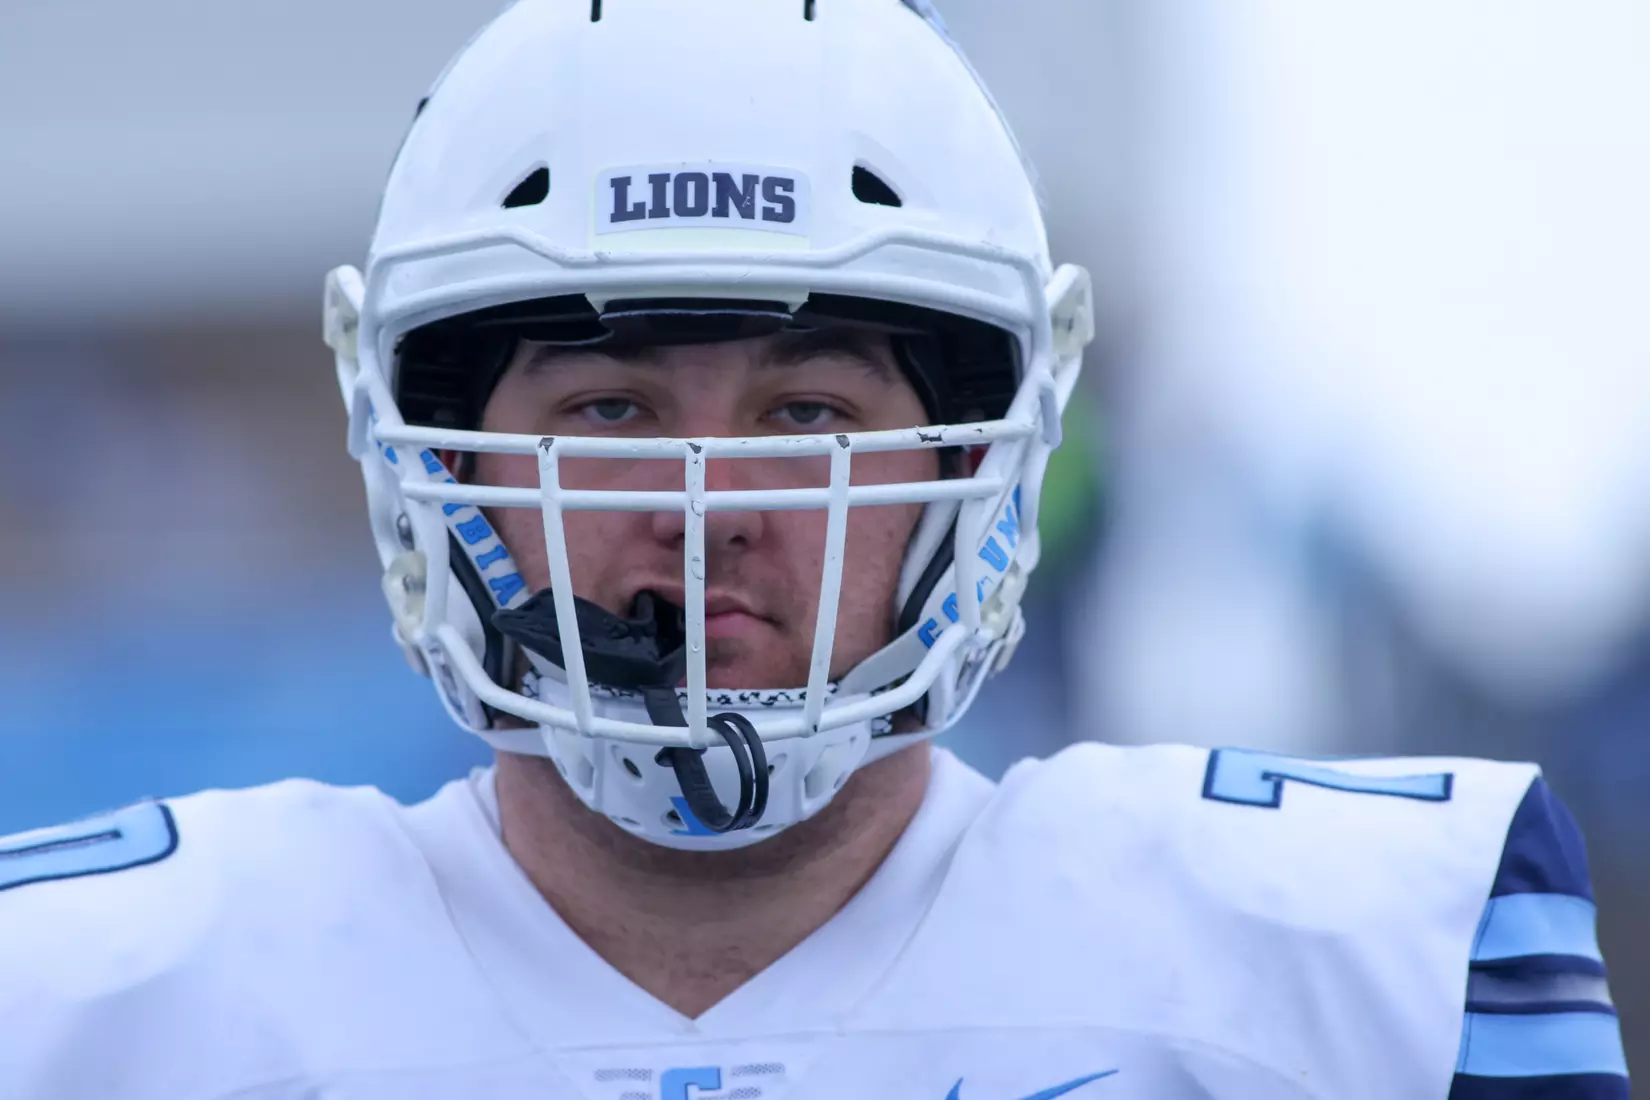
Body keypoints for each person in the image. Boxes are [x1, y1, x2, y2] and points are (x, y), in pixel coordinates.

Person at [0, 1, 1629, 1097]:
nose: (708, 503)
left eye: (810, 412)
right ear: (438, 461)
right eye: (610, 408)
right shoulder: (77, 998)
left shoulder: (1368, 960)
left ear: (977, 465)